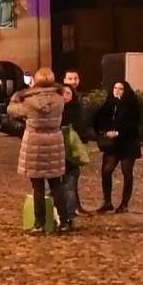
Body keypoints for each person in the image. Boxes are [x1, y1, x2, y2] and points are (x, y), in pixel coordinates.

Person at [7, 68, 68, 234]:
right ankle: (64, 221)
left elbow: (12, 111)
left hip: (35, 142)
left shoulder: (29, 100)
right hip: (54, 140)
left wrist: (17, 96)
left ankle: (40, 223)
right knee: (56, 185)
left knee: (38, 187)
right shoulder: (59, 99)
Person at [93, 81, 141, 213]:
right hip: (112, 144)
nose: (117, 91)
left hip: (127, 143)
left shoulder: (132, 105)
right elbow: (98, 120)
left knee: (127, 171)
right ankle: (107, 201)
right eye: (115, 88)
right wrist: (104, 132)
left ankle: (124, 203)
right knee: (106, 170)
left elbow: (133, 124)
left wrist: (119, 132)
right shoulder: (108, 104)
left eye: (120, 88)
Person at [59, 70, 88, 217]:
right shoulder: (56, 109)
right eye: (70, 78)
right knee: (64, 179)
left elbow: (82, 126)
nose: (73, 81)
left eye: (75, 78)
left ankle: (72, 208)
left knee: (71, 178)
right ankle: (67, 208)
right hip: (59, 148)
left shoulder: (77, 107)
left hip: (72, 148)